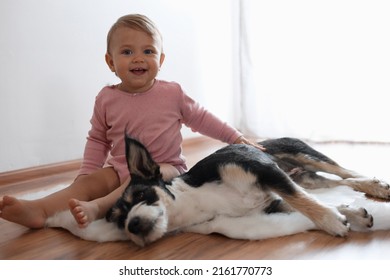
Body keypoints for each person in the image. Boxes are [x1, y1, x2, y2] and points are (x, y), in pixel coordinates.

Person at [0, 14, 263, 229]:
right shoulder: (106, 98)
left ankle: (100, 207)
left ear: (160, 60)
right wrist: (86, 176)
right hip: (118, 169)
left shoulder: (172, 93)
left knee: (147, 173)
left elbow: (203, 119)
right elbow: (98, 139)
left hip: (166, 169)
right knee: (88, 184)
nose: (138, 58)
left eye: (147, 51)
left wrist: (236, 138)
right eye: (127, 52)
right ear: (110, 62)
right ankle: (39, 209)